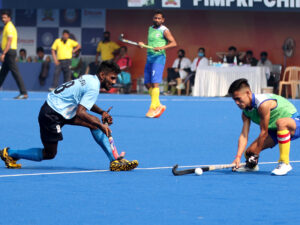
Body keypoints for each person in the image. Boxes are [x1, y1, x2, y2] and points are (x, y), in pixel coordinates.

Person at [0, 61, 138, 171]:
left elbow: (84, 103)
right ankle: (10, 153)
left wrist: (101, 113)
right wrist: (100, 124)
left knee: (93, 123)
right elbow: (81, 112)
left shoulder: (90, 79)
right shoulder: (94, 86)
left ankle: (114, 161)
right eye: (112, 78)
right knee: (49, 154)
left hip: (63, 110)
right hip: (51, 114)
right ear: (102, 75)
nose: (114, 82)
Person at [228, 78, 300, 175]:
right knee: (249, 153)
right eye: (234, 99)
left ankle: (284, 163)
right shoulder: (245, 112)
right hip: (275, 130)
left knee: (281, 123)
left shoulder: (263, 105)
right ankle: (252, 167)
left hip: (294, 123)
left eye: (238, 99)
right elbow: (244, 135)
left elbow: (264, 132)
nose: (236, 102)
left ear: (248, 93)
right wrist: (238, 157)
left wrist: (256, 156)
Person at [138, 9, 177, 118]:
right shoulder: (150, 29)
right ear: (153, 18)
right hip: (149, 57)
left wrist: (162, 47)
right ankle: (159, 104)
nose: (157, 20)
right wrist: (143, 44)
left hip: (159, 58)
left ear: (163, 20)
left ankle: (152, 108)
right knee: (147, 83)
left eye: (159, 18)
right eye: (155, 18)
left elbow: (174, 43)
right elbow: (150, 43)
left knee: (155, 83)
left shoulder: (165, 30)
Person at [0, 10, 28, 99]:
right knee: (2, 73)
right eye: (2, 17)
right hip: (8, 52)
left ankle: (24, 93)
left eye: (5, 17)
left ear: (9, 18)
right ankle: (23, 93)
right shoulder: (6, 27)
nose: (3, 19)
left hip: (9, 52)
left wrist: (4, 53)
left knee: (16, 73)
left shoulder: (9, 27)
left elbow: (9, 40)